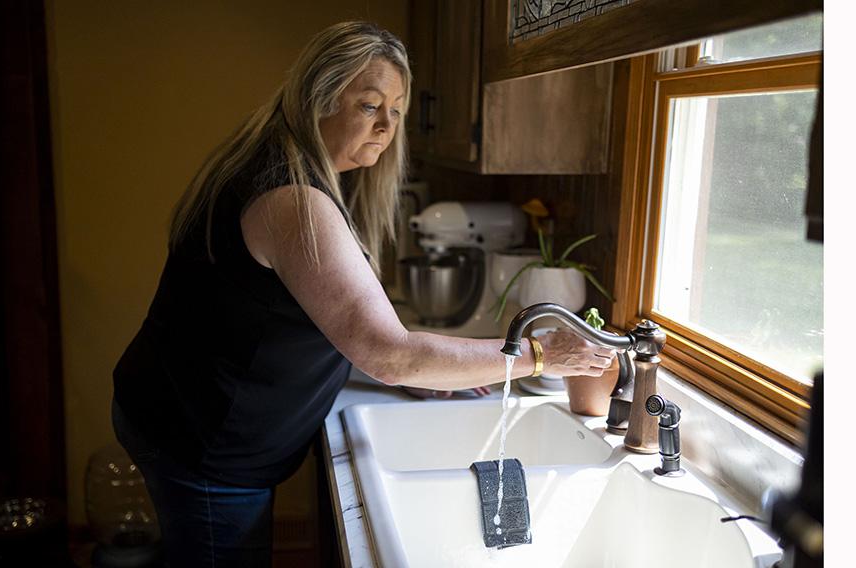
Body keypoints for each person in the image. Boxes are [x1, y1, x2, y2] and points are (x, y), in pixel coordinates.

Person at [111, 21, 615, 568]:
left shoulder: (288, 171)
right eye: (369, 105)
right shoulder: (291, 199)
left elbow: (328, 330)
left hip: (189, 419)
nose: (386, 126)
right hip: (204, 443)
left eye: (395, 110)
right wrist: (544, 354)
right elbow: (389, 353)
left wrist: (425, 372)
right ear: (315, 102)